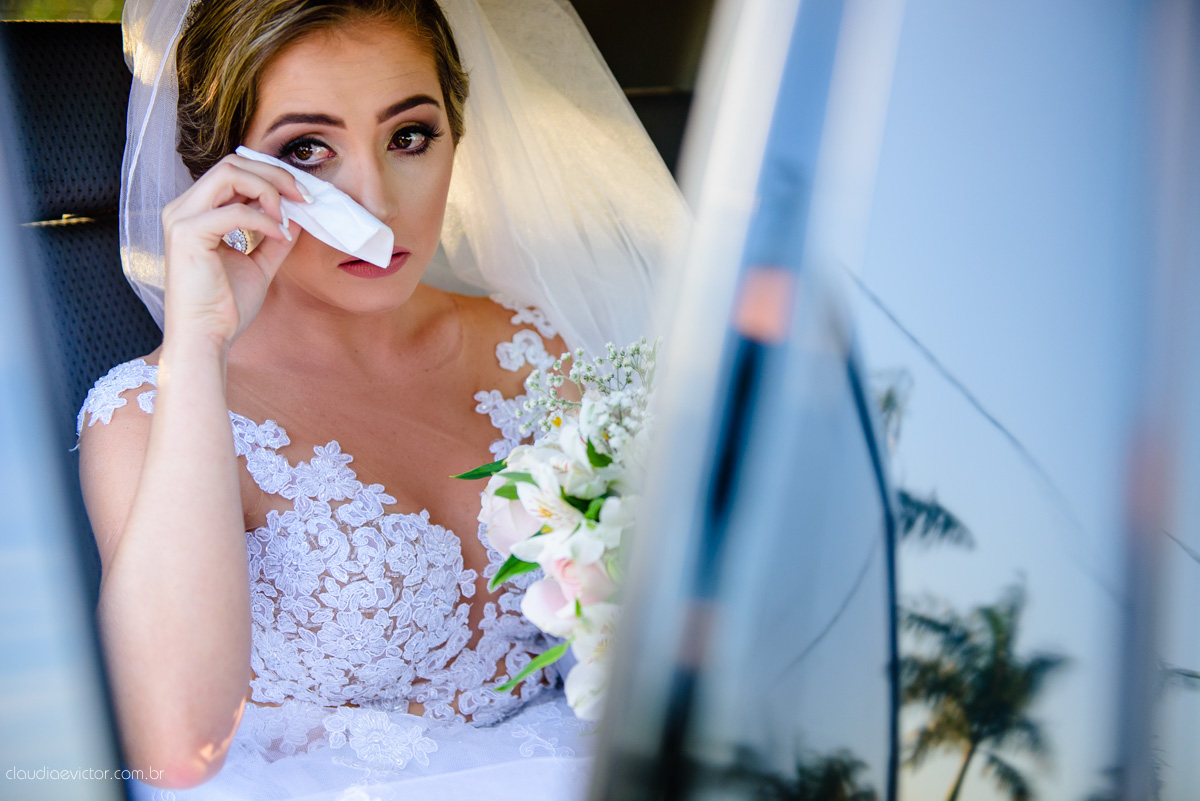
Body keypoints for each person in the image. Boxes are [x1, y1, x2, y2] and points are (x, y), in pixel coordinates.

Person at [75, 0, 685, 798]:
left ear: (456, 136)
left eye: (408, 136)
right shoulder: (144, 416)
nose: (375, 200)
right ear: (223, 178)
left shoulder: (546, 351)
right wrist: (199, 344)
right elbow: (174, 748)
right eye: (306, 150)